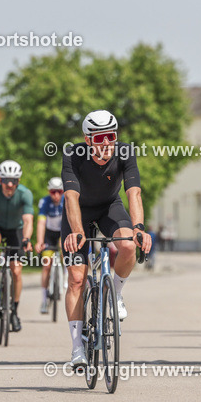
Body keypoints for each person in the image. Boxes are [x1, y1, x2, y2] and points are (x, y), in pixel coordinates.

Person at [61, 110, 149, 368]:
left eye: (111, 136)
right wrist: (77, 231)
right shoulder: (73, 155)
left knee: (128, 245)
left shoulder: (124, 152)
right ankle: (77, 348)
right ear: (88, 141)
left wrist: (139, 227)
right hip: (78, 213)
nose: (107, 143)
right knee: (77, 279)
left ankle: (116, 294)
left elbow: (134, 193)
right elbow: (70, 198)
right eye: (99, 139)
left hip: (110, 206)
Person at [0, 160, 34, 333]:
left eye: (14, 181)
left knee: (17, 271)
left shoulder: (25, 194)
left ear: (18, 181)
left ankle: (14, 312)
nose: (10, 184)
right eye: (5, 180)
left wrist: (26, 239)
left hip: (16, 230)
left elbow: (28, 220)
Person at [34, 177, 64, 314]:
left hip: (63, 231)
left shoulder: (67, 200)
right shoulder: (44, 202)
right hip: (49, 235)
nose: (56, 195)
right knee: (46, 264)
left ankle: (66, 279)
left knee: (67, 254)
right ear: (49, 191)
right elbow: (41, 222)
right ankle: (44, 299)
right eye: (53, 192)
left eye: (59, 192)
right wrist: (40, 241)